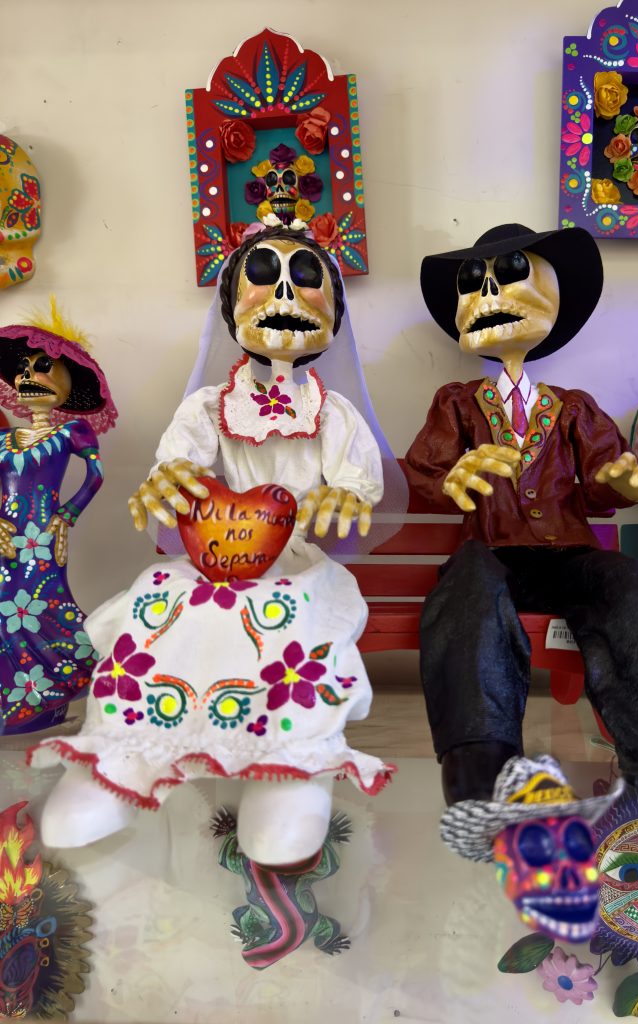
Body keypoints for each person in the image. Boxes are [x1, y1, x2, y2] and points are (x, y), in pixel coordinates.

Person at [405, 223, 638, 937]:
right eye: (473, 284)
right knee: (467, 592)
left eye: (509, 274)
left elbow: (602, 478)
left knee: (628, 584)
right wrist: (453, 475)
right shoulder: (456, 402)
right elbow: (425, 471)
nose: (489, 294)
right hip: (490, 556)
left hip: (569, 555)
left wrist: (623, 481)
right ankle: (487, 781)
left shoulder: (570, 405)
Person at [31, 221, 395, 863]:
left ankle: (289, 767)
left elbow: (358, 482)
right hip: (215, 553)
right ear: (230, 307)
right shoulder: (207, 407)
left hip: (295, 558)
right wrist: (169, 484)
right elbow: (179, 466)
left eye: (306, 278)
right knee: (159, 605)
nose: (285, 294)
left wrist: (345, 499)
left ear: (335, 313)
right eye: (264, 277)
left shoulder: (333, 413)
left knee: (292, 622)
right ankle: (121, 760)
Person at [0, 302, 117, 735]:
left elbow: (95, 475)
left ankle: (69, 679)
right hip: (6, 537)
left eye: (42, 367)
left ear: (69, 381)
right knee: (5, 611)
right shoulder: (5, 438)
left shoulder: (72, 432)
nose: (28, 376)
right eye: (23, 369)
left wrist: (67, 516)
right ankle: (20, 699)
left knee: (42, 605)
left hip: (45, 534)